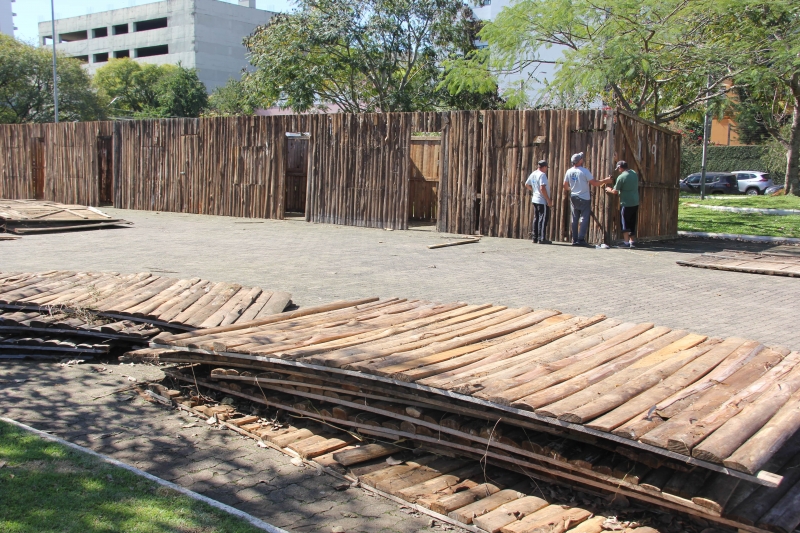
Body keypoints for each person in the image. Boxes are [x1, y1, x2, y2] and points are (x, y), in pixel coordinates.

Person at [562, 152, 607, 245]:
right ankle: (581, 239)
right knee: (584, 218)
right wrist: (605, 180)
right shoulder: (584, 171)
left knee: (574, 218)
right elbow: (594, 183)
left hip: (574, 196)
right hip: (584, 198)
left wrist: (572, 189)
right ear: (580, 161)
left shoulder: (569, 171)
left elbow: (565, 185)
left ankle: (574, 239)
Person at [605, 160, 640, 248]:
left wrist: (608, 189)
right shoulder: (633, 173)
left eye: (618, 169)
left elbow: (615, 191)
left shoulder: (621, 177)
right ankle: (632, 241)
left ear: (620, 168)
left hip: (626, 203)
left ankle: (626, 242)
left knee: (624, 222)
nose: (618, 170)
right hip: (635, 202)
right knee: (632, 221)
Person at [524, 160, 552, 244]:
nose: (546, 169)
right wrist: (548, 199)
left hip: (535, 199)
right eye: (546, 167)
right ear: (544, 167)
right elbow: (542, 188)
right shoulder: (542, 175)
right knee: (542, 219)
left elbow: (526, 184)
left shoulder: (534, 173)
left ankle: (535, 237)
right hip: (541, 200)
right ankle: (541, 238)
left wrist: (534, 191)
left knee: (536, 218)